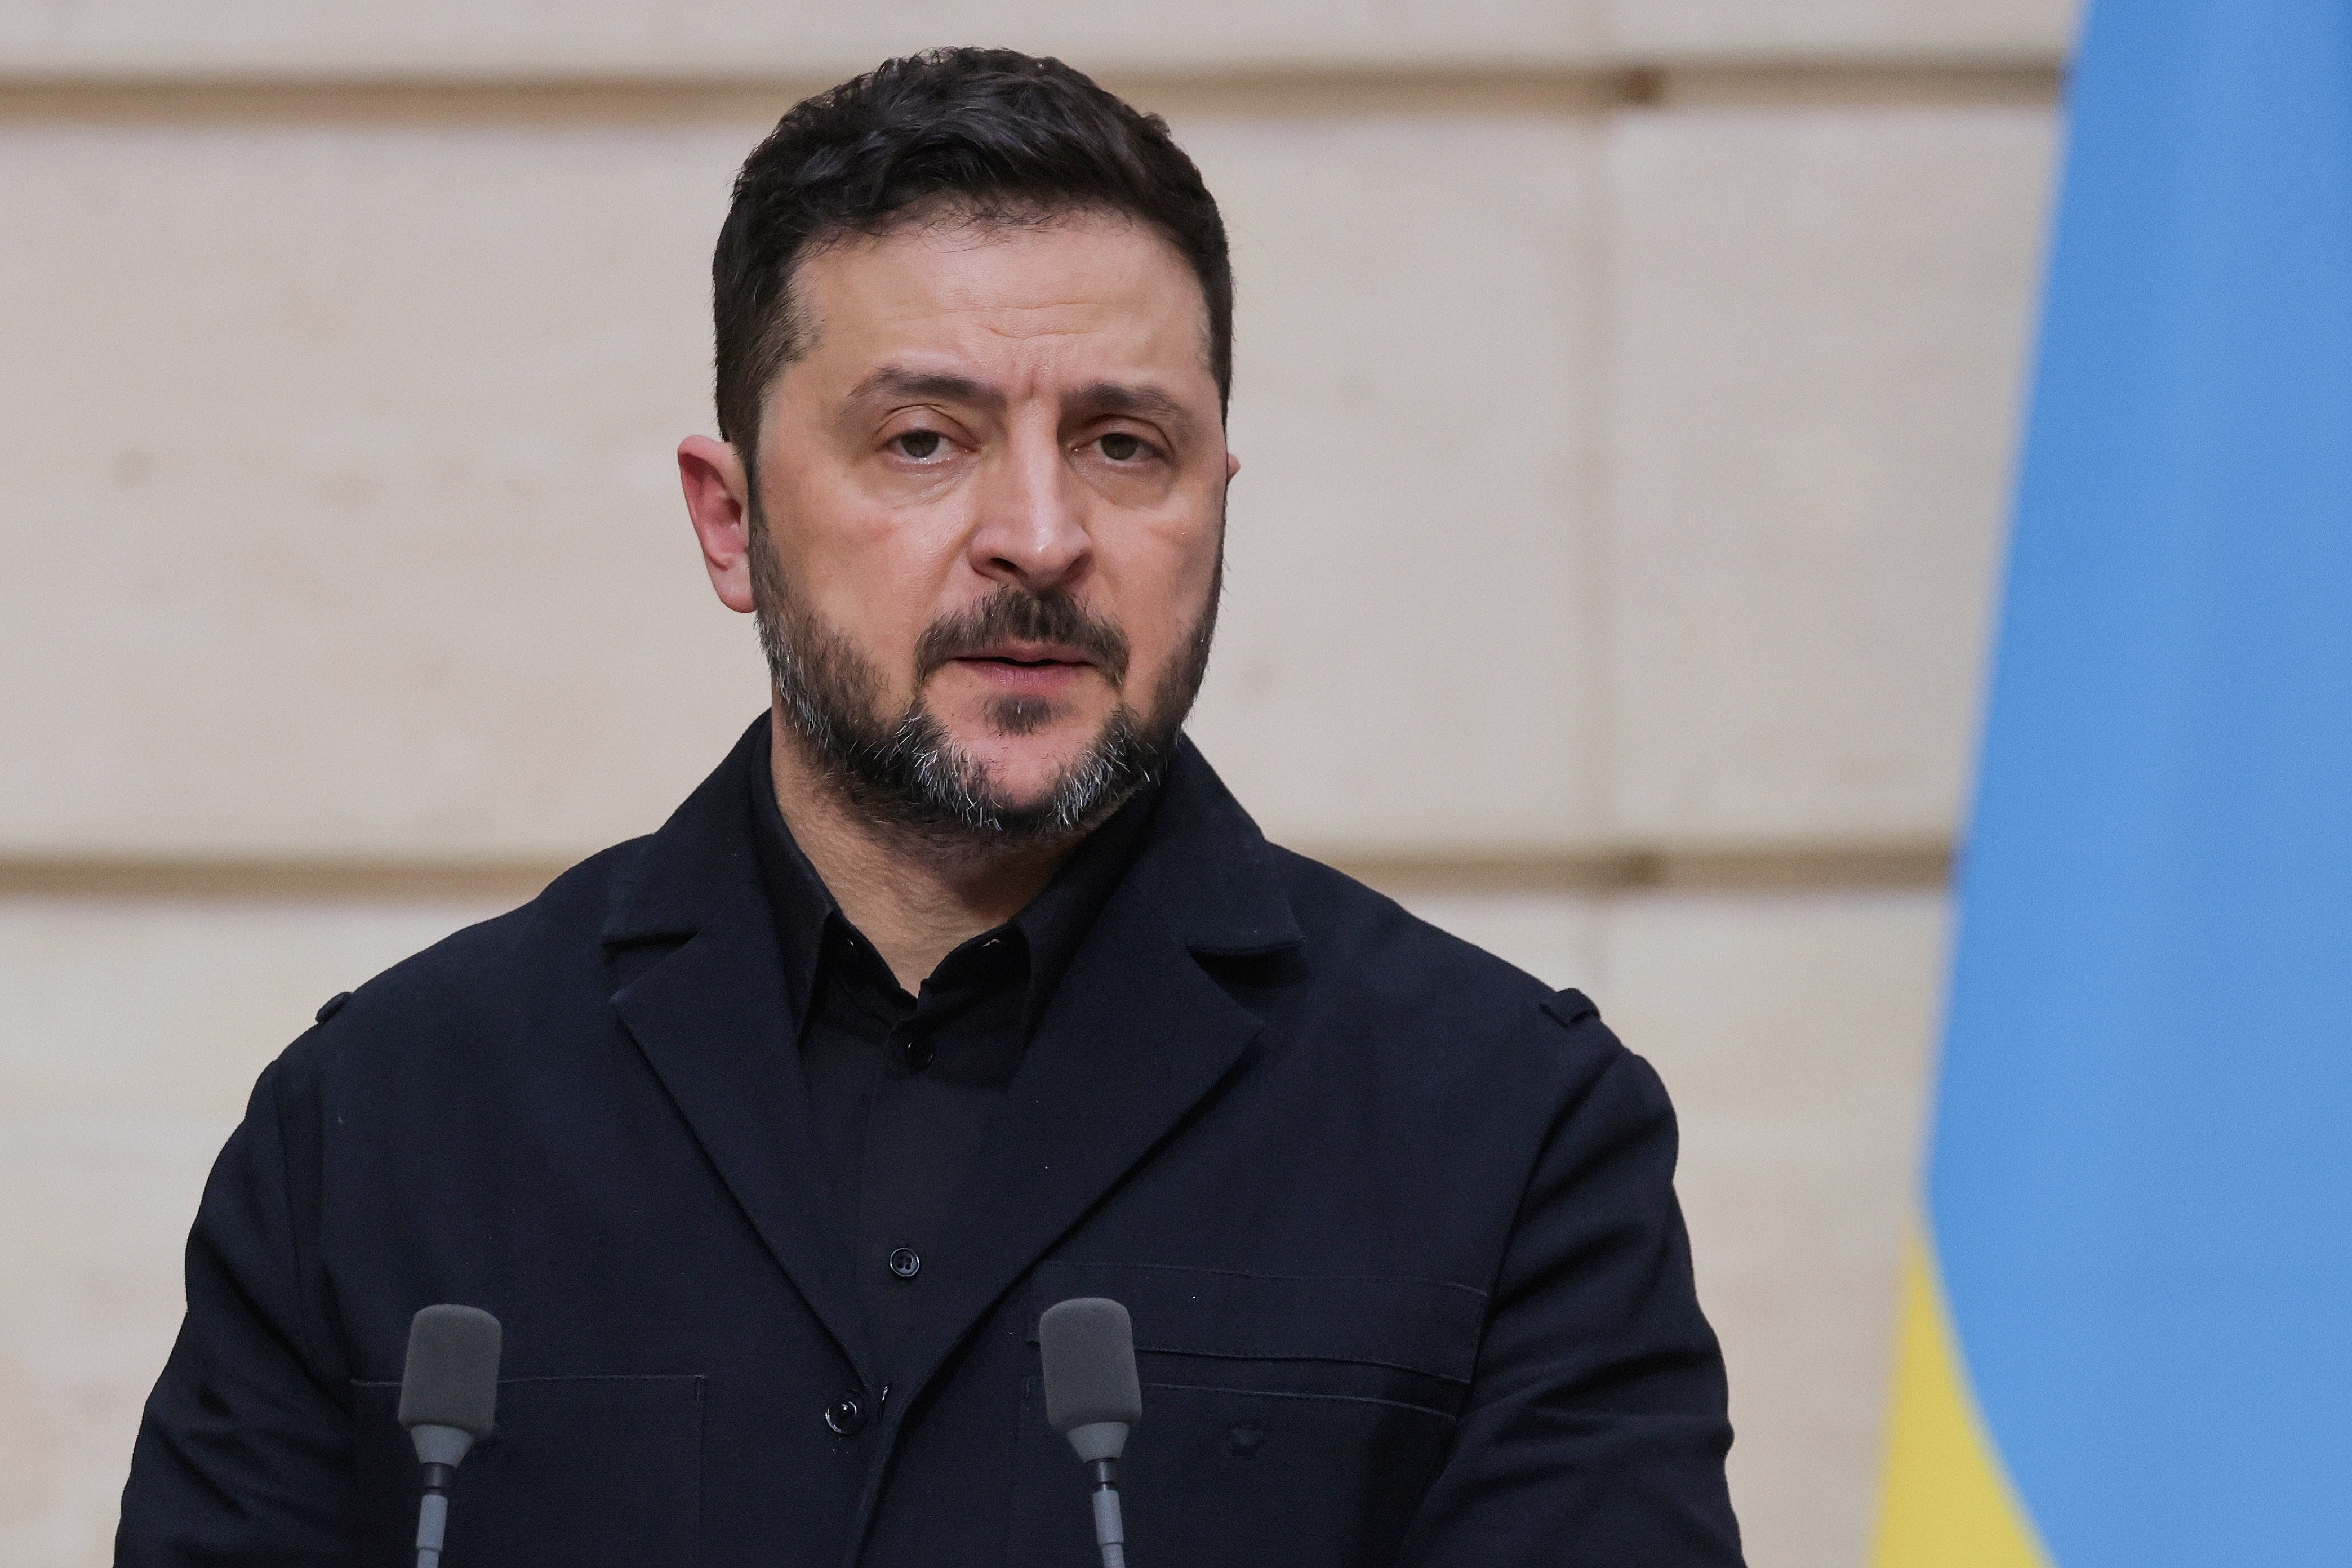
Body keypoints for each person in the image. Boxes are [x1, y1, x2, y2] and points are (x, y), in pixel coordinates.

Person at [116, 47, 1742, 1567]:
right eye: (922, 441)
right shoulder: (386, 1124)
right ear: (731, 520)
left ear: (1217, 503)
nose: (1038, 535)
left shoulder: (1509, 1133)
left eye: (1123, 444)